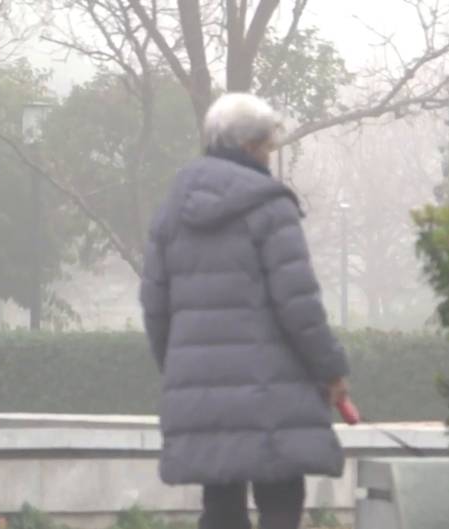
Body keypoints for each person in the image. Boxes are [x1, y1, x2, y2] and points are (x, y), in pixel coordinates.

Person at [139, 93, 351, 529]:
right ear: (252, 146)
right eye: (269, 147)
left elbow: (155, 306)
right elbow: (300, 306)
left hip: (199, 387)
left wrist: (180, 368)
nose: (270, 156)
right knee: (280, 496)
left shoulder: (170, 215)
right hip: (273, 390)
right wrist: (331, 371)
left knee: (220, 504)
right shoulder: (271, 208)